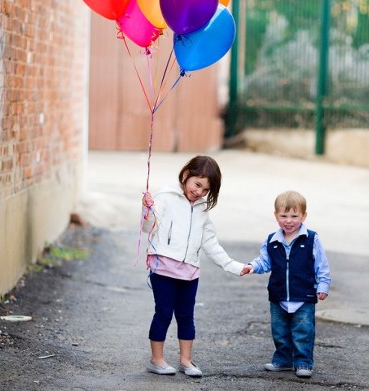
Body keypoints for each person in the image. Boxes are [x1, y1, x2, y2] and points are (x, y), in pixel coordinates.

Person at [141, 155, 247, 378]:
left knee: (186, 316)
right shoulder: (165, 196)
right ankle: (156, 360)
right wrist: (147, 210)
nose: (199, 192)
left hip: (190, 272)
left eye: (206, 190)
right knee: (163, 313)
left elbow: (211, 243)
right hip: (163, 267)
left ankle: (186, 360)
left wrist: (234, 267)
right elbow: (148, 227)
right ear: (186, 175)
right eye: (197, 184)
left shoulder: (201, 210)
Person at [242, 190, 331, 378]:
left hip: (304, 296)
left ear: (304, 216)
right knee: (280, 331)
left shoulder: (311, 239)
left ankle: (303, 362)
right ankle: (283, 360)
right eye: (283, 216)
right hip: (278, 295)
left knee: (303, 331)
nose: (288, 221)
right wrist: (252, 266)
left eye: (294, 216)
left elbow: (321, 265)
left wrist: (323, 285)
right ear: (276, 215)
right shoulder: (271, 240)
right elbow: (264, 261)